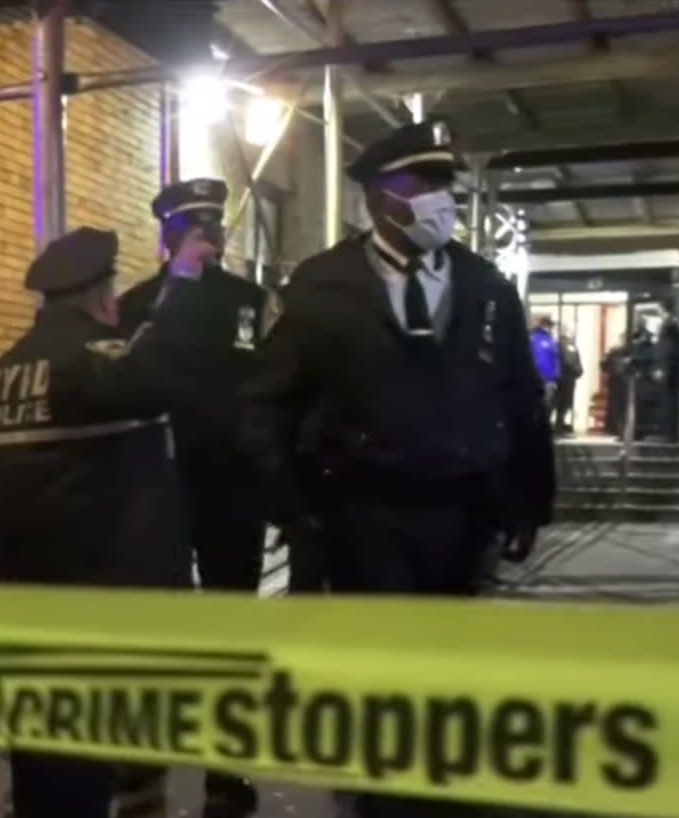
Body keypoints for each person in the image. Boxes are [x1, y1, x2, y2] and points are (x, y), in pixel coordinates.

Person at [239, 119, 555, 818]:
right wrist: (294, 510)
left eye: (446, 183)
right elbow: (264, 405)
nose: (442, 199)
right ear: (382, 196)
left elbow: (520, 399)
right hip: (363, 511)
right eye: (424, 184)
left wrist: (530, 500)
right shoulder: (322, 286)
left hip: (462, 509)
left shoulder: (485, 286)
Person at [0, 227, 208, 818]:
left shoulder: (0, 374)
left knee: (42, 767)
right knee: (81, 772)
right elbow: (157, 374)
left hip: (29, 602)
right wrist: (180, 284)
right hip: (99, 610)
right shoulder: (89, 364)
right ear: (100, 296)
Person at [118, 178, 271, 818]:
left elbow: (269, 380)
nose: (210, 237)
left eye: (215, 225)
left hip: (233, 485)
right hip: (160, 483)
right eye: (194, 227)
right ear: (168, 236)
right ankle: (144, 761)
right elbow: (129, 377)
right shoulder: (139, 303)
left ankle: (225, 767)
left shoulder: (250, 299)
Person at [654, 297, 679, 442]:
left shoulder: (671, 325)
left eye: (658, 308)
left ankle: (668, 435)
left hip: (671, 369)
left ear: (663, 308)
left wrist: (662, 368)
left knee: (669, 402)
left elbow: (667, 349)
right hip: (674, 368)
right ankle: (669, 434)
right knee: (670, 401)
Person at [554, 325, 583, 434]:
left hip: (562, 377)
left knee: (561, 403)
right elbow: (569, 361)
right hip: (566, 378)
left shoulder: (558, 344)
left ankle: (559, 424)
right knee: (564, 402)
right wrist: (578, 371)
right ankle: (559, 426)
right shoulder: (566, 345)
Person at [600, 333, 629, 437]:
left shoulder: (613, 350)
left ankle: (616, 429)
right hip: (621, 381)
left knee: (616, 406)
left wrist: (609, 371)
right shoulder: (624, 351)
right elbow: (604, 364)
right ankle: (619, 430)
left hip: (616, 380)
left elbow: (603, 364)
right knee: (620, 406)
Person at [530, 315, 560, 409]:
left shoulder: (549, 340)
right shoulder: (538, 339)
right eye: (550, 326)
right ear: (545, 325)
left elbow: (555, 359)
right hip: (543, 379)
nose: (552, 328)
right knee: (543, 407)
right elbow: (540, 359)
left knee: (545, 407)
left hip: (546, 380)